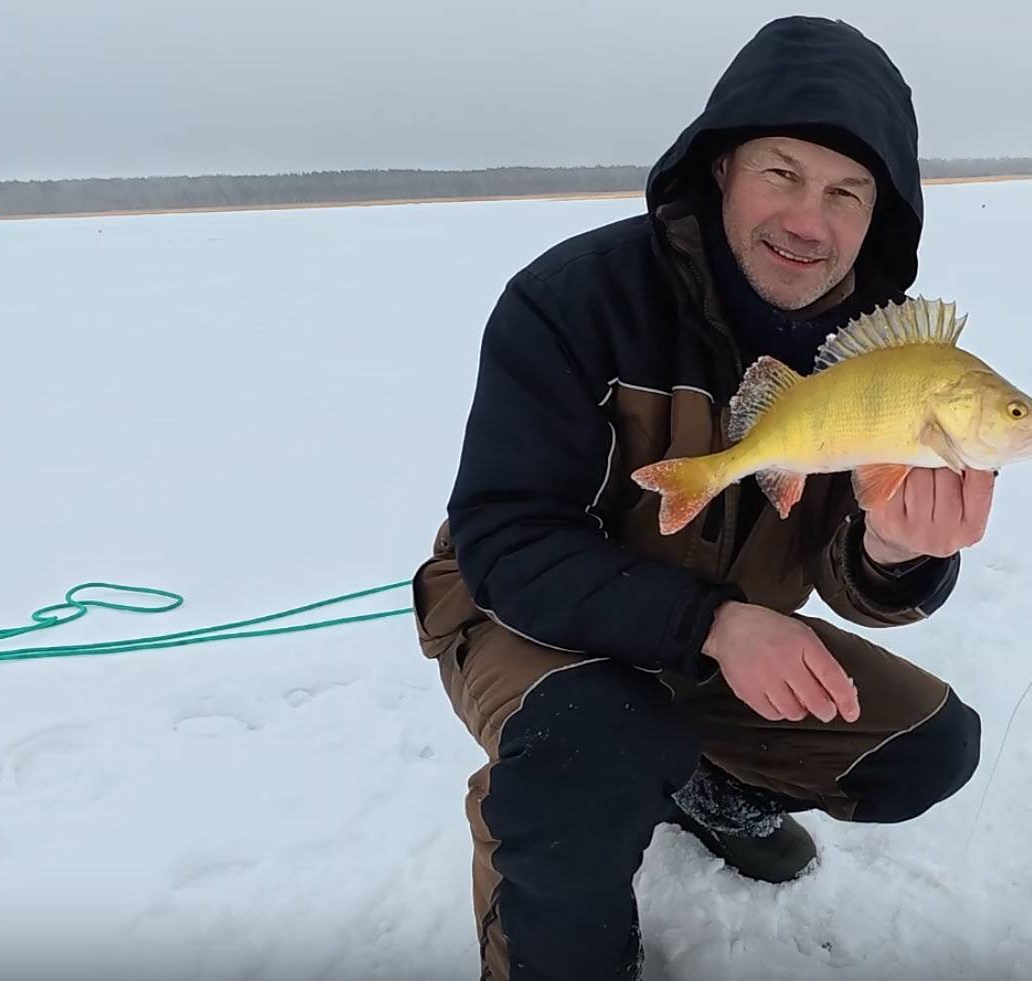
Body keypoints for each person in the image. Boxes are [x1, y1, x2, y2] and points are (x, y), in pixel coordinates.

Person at [410, 15, 994, 980]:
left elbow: (852, 575)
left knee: (925, 747)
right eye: (782, 173)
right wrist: (717, 624)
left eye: (847, 191)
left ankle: (700, 782)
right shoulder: (573, 300)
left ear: (879, 214)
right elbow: (504, 534)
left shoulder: (879, 356)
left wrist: (897, 552)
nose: (810, 220)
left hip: (720, 637)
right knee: (594, 741)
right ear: (719, 167)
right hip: (526, 614)